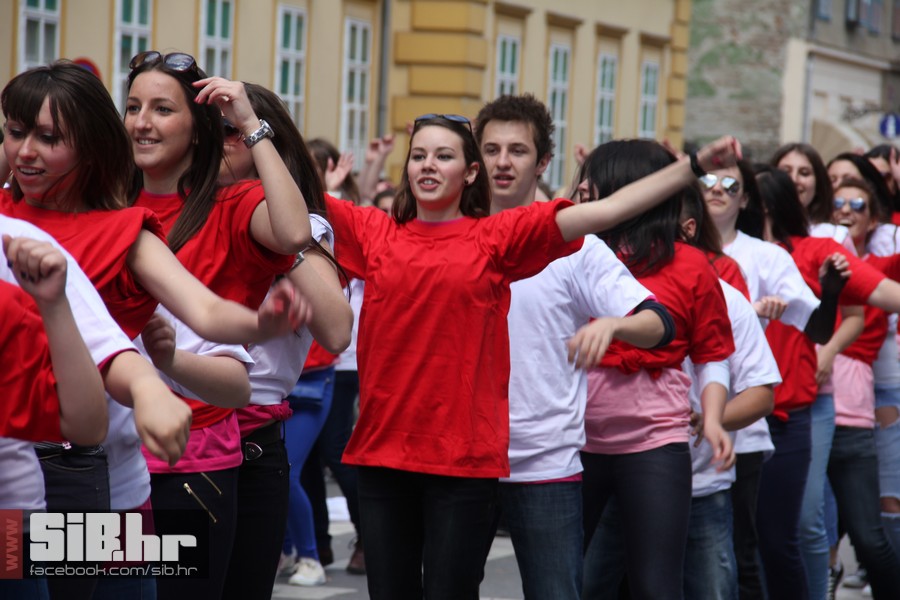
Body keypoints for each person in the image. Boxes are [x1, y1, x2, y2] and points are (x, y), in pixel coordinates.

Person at [325, 111, 741, 599]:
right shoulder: (382, 233)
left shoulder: (510, 237)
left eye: (443, 155)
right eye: (418, 155)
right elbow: (291, 203)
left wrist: (692, 165)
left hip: (520, 461)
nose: (428, 166)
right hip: (409, 457)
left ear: (471, 170)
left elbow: (608, 216)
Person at [124, 51, 312, 599]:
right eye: (133, 107)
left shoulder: (232, 205)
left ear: (198, 129)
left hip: (195, 460)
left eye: (162, 109)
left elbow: (296, 233)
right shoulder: (104, 198)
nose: (142, 121)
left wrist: (250, 124)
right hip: (103, 455)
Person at [471, 94, 671, 599]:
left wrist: (616, 328)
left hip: (546, 462)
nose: (501, 161)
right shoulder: (454, 233)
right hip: (462, 457)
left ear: (542, 163)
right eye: (491, 148)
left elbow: (658, 322)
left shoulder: (576, 244)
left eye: (517, 150)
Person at [575, 140, 736, 600]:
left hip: (654, 442)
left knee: (656, 585)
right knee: (570, 582)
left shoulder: (690, 264)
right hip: (572, 442)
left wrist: (713, 419)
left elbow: (712, 353)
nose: (586, 189)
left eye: (597, 181)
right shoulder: (575, 252)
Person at [215, 81, 353, 596]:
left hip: (252, 433)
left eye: (232, 131)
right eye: (209, 131)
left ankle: (312, 554)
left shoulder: (303, 229)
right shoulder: (179, 212)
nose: (217, 141)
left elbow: (337, 330)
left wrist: (280, 245)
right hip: (169, 432)